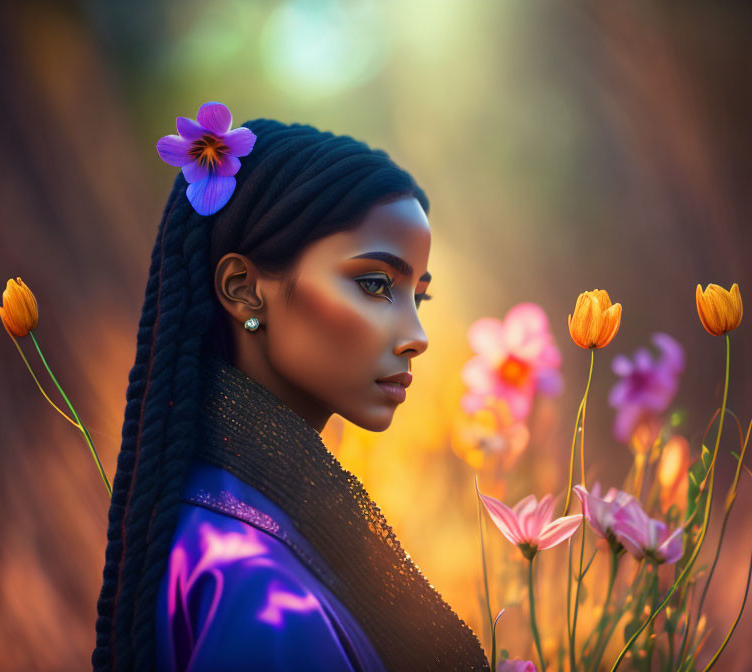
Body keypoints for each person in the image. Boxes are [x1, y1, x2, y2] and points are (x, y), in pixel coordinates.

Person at [92, 110, 490, 671]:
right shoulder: (261, 593)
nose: (417, 338)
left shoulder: (228, 520)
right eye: (375, 284)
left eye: (416, 297)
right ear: (244, 290)